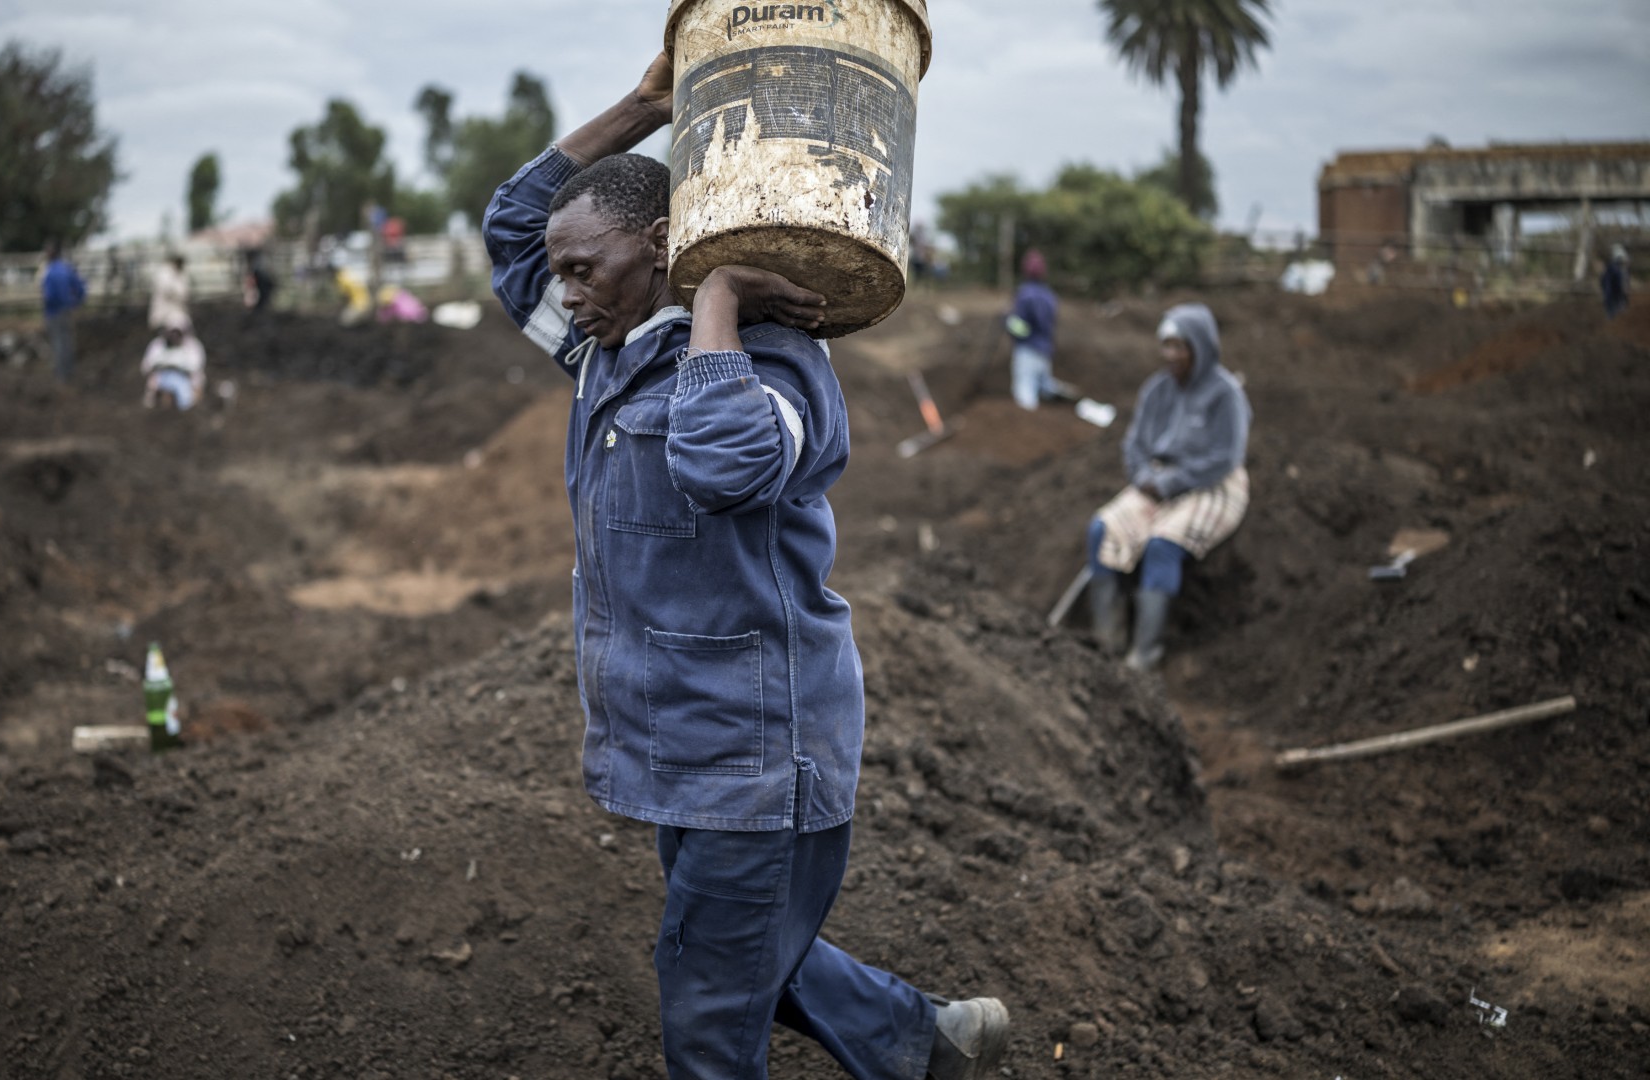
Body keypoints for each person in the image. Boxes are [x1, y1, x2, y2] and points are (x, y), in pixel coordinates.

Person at [484, 50, 1010, 1080]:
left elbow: (725, 461)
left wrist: (717, 291)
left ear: (663, 246)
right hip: (684, 743)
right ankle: (927, 1045)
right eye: (566, 273)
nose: (566, 291)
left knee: (709, 1016)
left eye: (586, 268)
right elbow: (515, 228)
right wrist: (644, 106)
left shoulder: (773, 367)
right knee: (740, 949)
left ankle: (921, 1045)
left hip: (762, 754)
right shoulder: (606, 343)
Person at [1085, 303, 1251, 672]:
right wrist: (1144, 476)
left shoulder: (1225, 395)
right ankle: (1106, 644)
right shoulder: (1157, 390)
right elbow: (1135, 443)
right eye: (1167, 346)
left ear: (1201, 347)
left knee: (1162, 545)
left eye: (1180, 346)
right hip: (1155, 482)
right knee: (1102, 530)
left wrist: (1174, 482)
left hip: (1210, 485)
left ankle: (1144, 655)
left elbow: (1224, 456)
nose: (1172, 355)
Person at [1004, 250, 1069, 410]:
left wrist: (1007, 320)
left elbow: (1021, 328)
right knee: (1043, 385)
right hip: (1045, 350)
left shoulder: (1025, 295)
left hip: (1028, 350)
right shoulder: (1049, 296)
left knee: (1025, 396)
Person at [41, 240, 87, 383]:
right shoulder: (67, 269)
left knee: (58, 342)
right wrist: (75, 302)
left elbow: (48, 296)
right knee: (67, 341)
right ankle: (69, 371)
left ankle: (61, 375)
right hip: (66, 311)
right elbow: (80, 287)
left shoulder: (50, 272)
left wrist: (50, 305)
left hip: (54, 312)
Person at [140, 315, 206, 411]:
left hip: (186, 378)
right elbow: (146, 366)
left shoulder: (192, 346)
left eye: (177, 333)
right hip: (163, 378)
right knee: (154, 382)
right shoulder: (157, 345)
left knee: (194, 384)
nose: (174, 336)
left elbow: (196, 367)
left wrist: (179, 368)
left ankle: (191, 408)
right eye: (172, 333)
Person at [149, 253, 190, 330]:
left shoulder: (182, 274)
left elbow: (184, 293)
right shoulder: (164, 273)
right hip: (164, 313)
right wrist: (178, 295)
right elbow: (167, 289)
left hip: (177, 312)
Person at [1601, 244, 1630, 320]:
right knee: (1614, 316)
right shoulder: (1614, 269)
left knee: (1618, 316)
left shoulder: (1620, 269)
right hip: (1614, 296)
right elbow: (1607, 283)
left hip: (1617, 296)